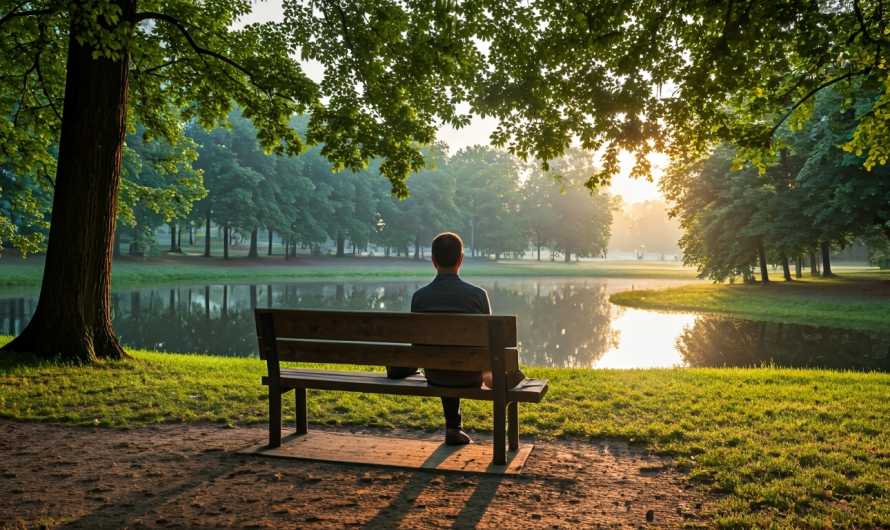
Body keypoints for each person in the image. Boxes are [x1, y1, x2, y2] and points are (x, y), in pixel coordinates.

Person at [386, 232, 526, 446]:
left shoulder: (420, 297)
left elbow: (417, 347)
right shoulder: (478, 295)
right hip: (471, 375)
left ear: (433, 260)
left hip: (435, 374)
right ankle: (492, 379)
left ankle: (453, 427)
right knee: (481, 363)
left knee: (443, 358)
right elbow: (489, 346)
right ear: (461, 259)